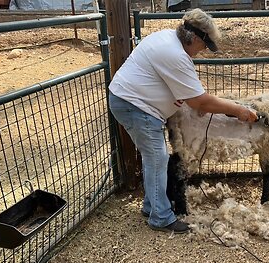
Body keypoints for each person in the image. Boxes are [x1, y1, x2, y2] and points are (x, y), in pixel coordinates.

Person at [108, 8, 258, 234]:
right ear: (196, 38)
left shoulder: (167, 39)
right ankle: (161, 217)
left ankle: (151, 207)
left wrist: (225, 108)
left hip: (130, 101)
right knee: (157, 159)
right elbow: (200, 102)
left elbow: (193, 97)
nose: (204, 50)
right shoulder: (175, 55)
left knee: (153, 159)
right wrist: (238, 110)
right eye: (205, 45)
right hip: (135, 106)